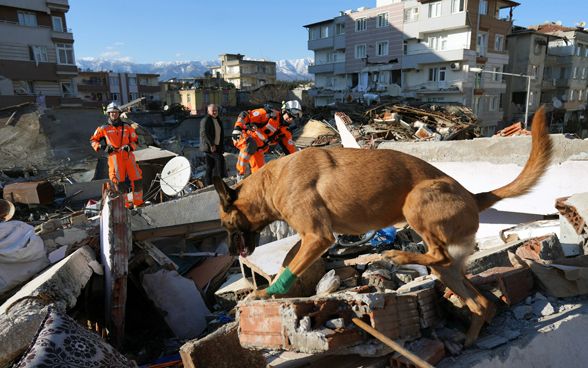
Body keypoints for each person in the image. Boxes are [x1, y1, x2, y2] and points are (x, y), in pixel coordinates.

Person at [90, 102, 143, 208]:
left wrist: (130, 147)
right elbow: (93, 140)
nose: (114, 114)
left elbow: (135, 141)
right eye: (111, 112)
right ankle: (125, 206)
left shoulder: (127, 127)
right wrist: (103, 147)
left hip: (128, 157)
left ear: (119, 113)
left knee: (137, 179)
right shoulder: (103, 128)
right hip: (114, 159)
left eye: (116, 112)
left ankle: (138, 203)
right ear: (108, 114)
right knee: (119, 183)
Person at [231, 100, 302, 179]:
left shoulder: (285, 132)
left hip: (258, 149)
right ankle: (240, 175)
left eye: (293, 118)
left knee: (259, 176)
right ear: (284, 111)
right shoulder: (269, 114)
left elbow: (291, 150)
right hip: (242, 136)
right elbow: (245, 114)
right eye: (289, 115)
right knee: (250, 145)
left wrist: (300, 159)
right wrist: (237, 128)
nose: (291, 119)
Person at [200, 104, 227, 186]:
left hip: (217, 146)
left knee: (210, 166)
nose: (215, 112)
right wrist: (211, 144)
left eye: (216, 110)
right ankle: (221, 181)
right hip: (210, 147)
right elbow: (204, 134)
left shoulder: (217, 119)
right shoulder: (206, 120)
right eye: (213, 110)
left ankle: (208, 184)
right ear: (208, 111)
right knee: (220, 160)